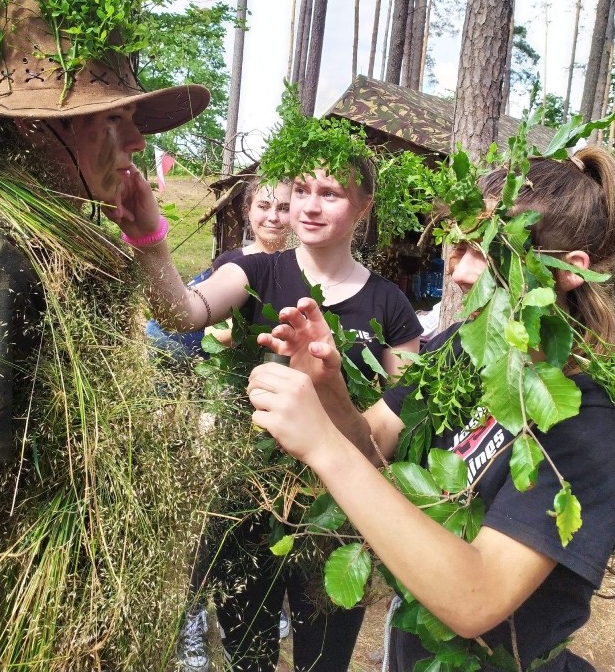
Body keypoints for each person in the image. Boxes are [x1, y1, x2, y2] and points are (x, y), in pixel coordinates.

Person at [245, 146, 615, 672]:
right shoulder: (465, 347)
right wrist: (328, 389)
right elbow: (373, 445)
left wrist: (324, 446)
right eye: (458, 245)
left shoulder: (586, 423)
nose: (460, 273)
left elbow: (477, 599)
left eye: (487, 251)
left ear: (568, 270)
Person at [0, 0, 209, 672]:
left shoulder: (61, 237)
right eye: (113, 118)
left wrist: (147, 241)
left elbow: (182, 316)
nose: (137, 143)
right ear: (32, 131)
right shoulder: (3, 251)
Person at [115, 157, 423, 671]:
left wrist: (332, 391)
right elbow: (182, 312)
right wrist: (151, 240)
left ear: (364, 206)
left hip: (337, 519)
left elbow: (391, 442)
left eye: (331, 193)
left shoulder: (390, 306)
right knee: (247, 658)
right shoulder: (256, 270)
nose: (309, 205)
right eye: (303, 189)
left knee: (323, 661)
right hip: (248, 504)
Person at [172, 175, 292, 672]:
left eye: (284, 207)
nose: (273, 216)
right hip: (228, 413)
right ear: (247, 210)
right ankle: (192, 624)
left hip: (280, 421)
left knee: (275, 517)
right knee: (213, 521)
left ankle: (270, 606)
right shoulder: (233, 266)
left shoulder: (303, 271)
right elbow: (193, 329)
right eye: (264, 205)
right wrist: (222, 337)